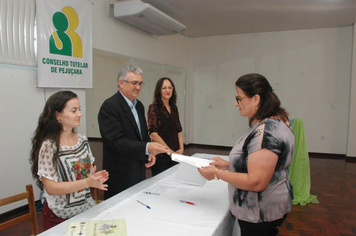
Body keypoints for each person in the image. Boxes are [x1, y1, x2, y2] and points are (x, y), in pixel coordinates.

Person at [198, 73, 295, 236]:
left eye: (239, 98)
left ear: (256, 99)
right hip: (268, 208)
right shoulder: (276, 121)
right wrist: (230, 164)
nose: (236, 104)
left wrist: (217, 173)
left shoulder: (265, 133)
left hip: (259, 213)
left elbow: (256, 181)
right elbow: (264, 164)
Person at [30, 91, 109, 231]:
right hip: (59, 217)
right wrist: (86, 182)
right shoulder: (49, 146)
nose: (79, 114)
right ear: (57, 115)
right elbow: (51, 188)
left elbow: (87, 171)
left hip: (86, 210)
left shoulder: (82, 140)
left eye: (79, 109)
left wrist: (94, 178)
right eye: (74, 110)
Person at [98, 64, 170, 200]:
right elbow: (115, 142)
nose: (138, 87)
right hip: (120, 175)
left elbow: (143, 134)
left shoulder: (139, 106)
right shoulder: (110, 106)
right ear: (121, 83)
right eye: (134, 83)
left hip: (138, 171)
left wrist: (149, 152)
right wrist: (147, 147)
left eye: (140, 83)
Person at [147, 77, 184, 176]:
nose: (167, 90)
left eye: (170, 87)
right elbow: (153, 134)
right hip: (161, 155)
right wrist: (169, 152)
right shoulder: (154, 108)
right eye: (164, 88)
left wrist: (181, 148)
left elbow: (179, 129)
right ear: (159, 90)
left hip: (176, 153)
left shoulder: (174, 107)